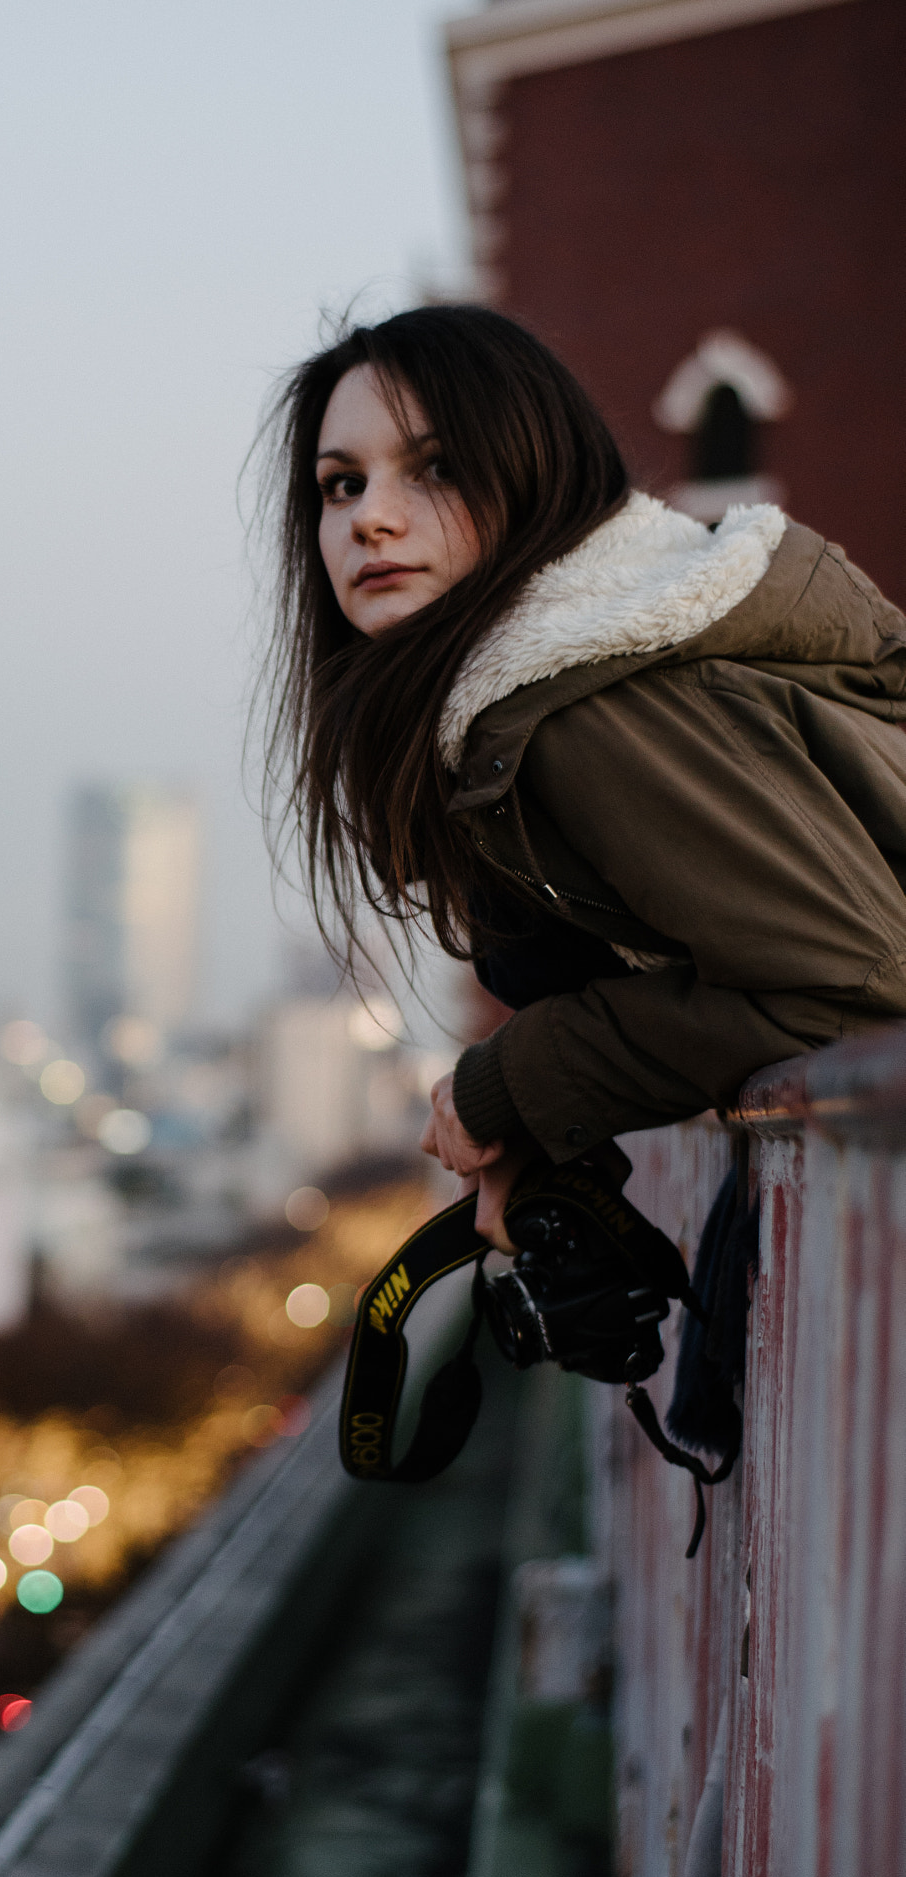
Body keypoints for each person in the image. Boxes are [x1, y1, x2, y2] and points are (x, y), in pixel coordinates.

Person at [259, 304, 906, 1249]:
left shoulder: (588, 704)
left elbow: (856, 987)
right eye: (340, 485)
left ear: (534, 471)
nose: (372, 518)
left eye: (435, 468)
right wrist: (547, 1121)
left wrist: (511, 1083)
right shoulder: (525, 702)